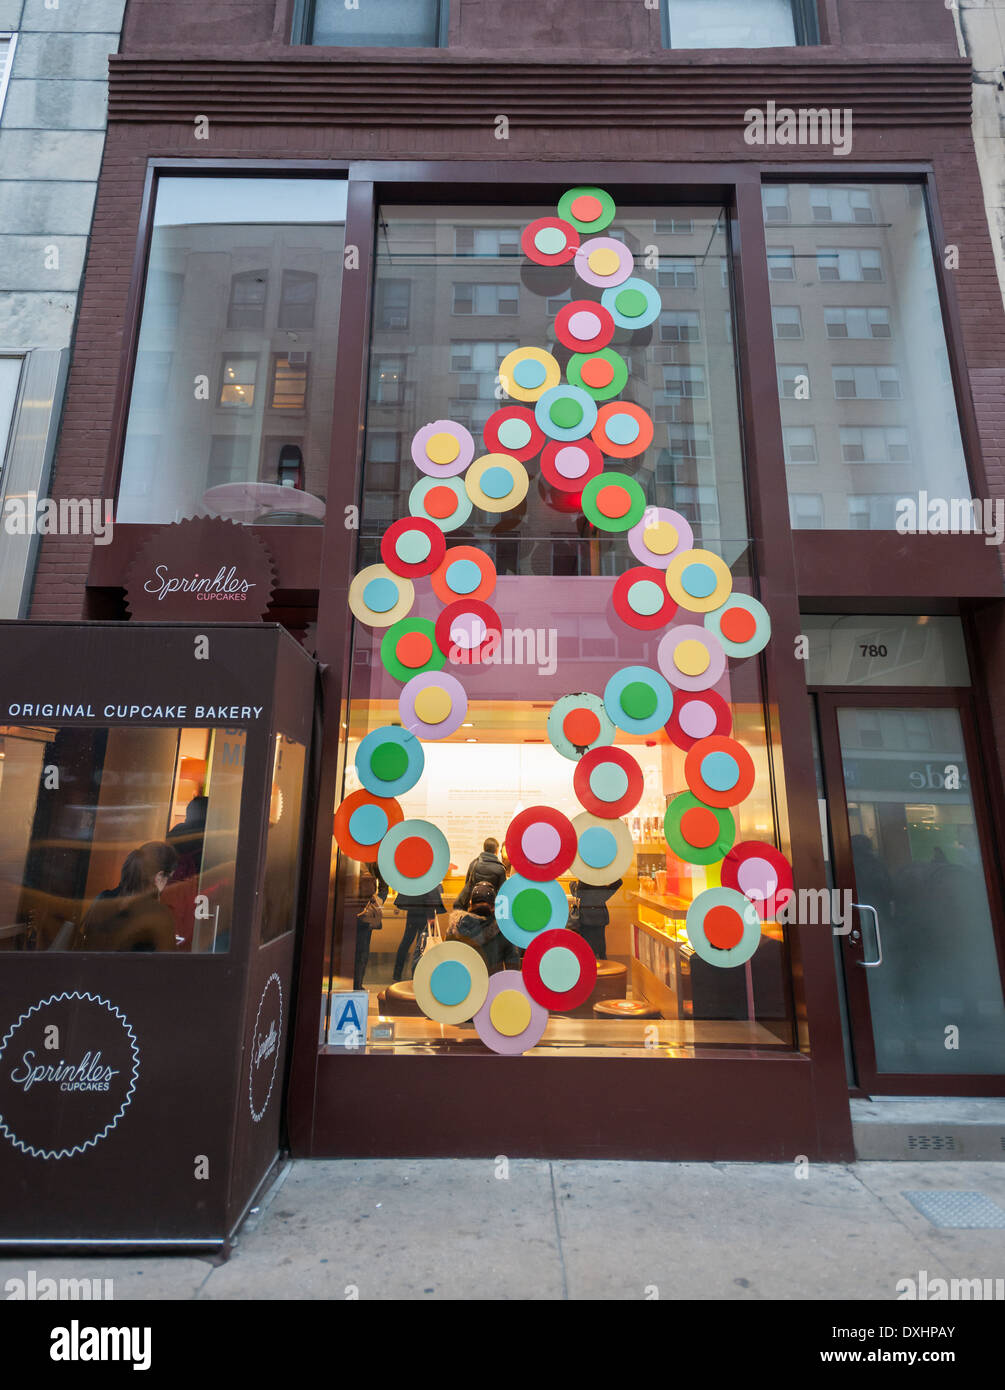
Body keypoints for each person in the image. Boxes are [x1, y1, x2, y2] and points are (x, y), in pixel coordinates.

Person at [81, 841, 179, 951]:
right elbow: (167, 962)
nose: (167, 885)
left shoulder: (103, 899)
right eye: (169, 878)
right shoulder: (157, 914)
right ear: (159, 877)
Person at [450, 879, 520, 973]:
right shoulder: (503, 930)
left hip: (465, 984)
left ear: (470, 903)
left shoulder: (455, 928)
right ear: (494, 906)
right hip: (493, 983)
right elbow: (513, 966)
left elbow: (448, 960)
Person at [392, 883, 445, 982]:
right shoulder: (429, 875)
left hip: (413, 909)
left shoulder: (416, 874)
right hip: (423, 912)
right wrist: (431, 916)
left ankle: (397, 974)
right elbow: (428, 894)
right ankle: (415, 974)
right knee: (420, 944)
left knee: (406, 942)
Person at [569, 877, 622, 960]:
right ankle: (602, 963)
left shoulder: (586, 877)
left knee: (587, 945)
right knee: (600, 943)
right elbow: (618, 883)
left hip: (586, 915)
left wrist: (572, 884)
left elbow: (579, 894)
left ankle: (590, 964)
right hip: (599, 915)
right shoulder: (599, 877)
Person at [455, 838, 507, 910]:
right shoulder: (500, 869)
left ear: (484, 848)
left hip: (475, 906)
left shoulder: (474, 864)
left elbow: (467, 884)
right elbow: (503, 893)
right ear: (497, 850)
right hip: (491, 908)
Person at [353, 869, 383, 990]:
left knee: (360, 954)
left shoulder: (358, 870)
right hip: (364, 917)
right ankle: (358, 985)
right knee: (362, 954)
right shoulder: (370, 871)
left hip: (360, 915)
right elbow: (381, 889)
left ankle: (357, 985)